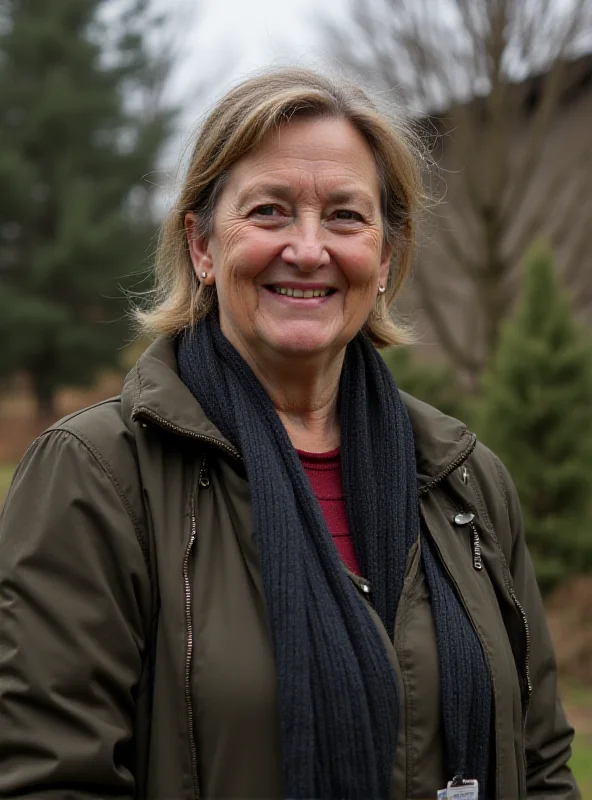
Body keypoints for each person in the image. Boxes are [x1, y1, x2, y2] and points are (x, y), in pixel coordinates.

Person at [0, 67, 579, 800]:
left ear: (386, 257)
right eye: (270, 212)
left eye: (345, 216)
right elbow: (49, 781)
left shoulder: (462, 477)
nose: (309, 249)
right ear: (203, 247)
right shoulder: (102, 475)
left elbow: (541, 764)